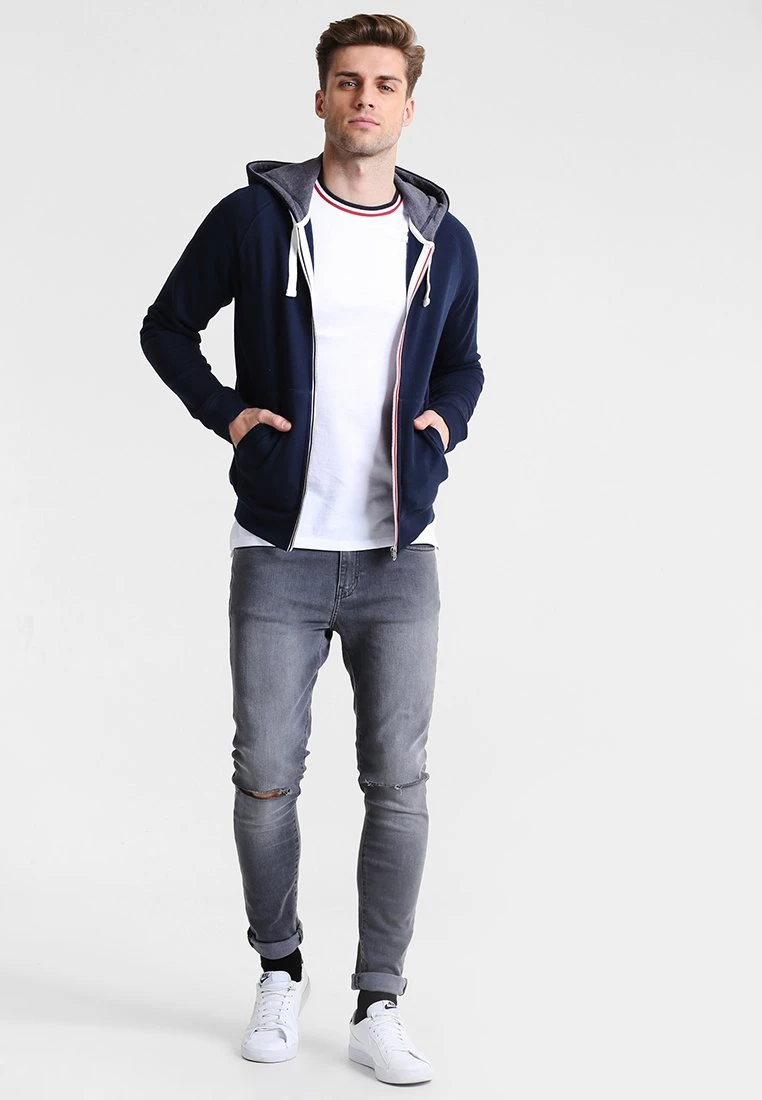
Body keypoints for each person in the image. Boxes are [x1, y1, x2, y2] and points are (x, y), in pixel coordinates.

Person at [139, 12, 483, 1087]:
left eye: (384, 84)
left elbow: (464, 364)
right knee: (266, 779)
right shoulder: (255, 219)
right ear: (321, 97)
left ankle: (379, 1000)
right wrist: (229, 415)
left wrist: (441, 426)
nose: (364, 99)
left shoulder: (444, 239)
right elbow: (165, 326)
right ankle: (279, 968)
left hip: (398, 558)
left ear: (409, 106)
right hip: (277, 553)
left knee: (400, 782)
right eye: (347, 82)